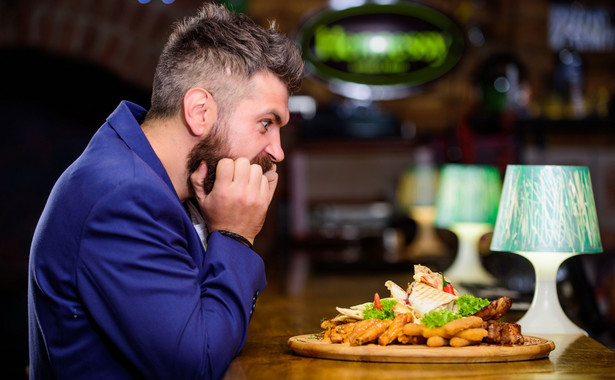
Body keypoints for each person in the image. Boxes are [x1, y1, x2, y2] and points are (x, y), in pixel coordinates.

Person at [27, 3, 304, 379]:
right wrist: (235, 235)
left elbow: (220, 333)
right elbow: (198, 364)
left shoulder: (156, 180)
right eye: (266, 123)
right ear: (200, 111)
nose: (277, 150)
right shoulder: (123, 197)